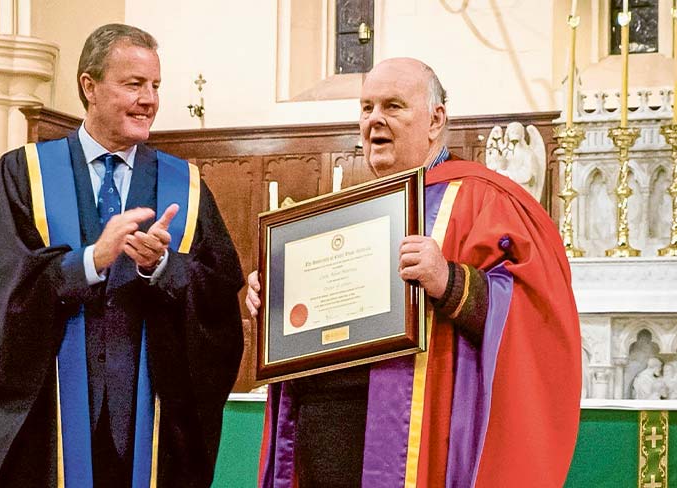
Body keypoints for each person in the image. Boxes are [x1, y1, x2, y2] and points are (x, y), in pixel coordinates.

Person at [246, 58, 582, 487]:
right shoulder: (343, 215)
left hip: (422, 442)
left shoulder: (485, 201)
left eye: (393, 106)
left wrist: (450, 282)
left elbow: (540, 319)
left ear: (435, 119)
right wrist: (277, 294)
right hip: (324, 436)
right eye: (366, 108)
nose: (374, 121)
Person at [0, 24, 244, 487]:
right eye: (134, 84)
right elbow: (2, 292)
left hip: (151, 422)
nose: (150, 99)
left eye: (155, 86)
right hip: (50, 420)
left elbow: (220, 302)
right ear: (89, 86)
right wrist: (89, 262)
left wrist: (163, 267)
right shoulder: (24, 175)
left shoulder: (185, 186)